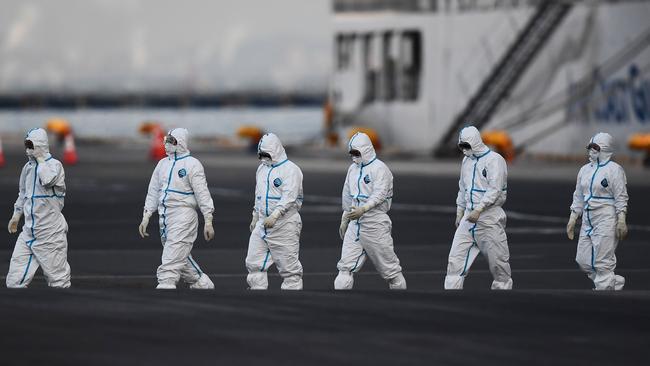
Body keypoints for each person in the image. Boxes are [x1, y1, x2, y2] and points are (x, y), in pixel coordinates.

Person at [139, 128, 215, 290]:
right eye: (166, 140)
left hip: (184, 215)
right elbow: (153, 190)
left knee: (172, 255)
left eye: (171, 141)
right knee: (178, 253)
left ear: (180, 143)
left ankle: (166, 282)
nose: (166, 144)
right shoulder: (162, 164)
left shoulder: (192, 164)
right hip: (165, 216)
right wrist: (147, 214)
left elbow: (202, 194)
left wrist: (208, 219)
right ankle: (201, 282)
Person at [334, 132, 406, 290]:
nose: (353, 157)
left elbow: (380, 194)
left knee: (391, 271)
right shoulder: (352, 170)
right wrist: (345, 217)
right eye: (351, 153)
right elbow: (347, 194)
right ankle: (341, 304)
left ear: (366, 150)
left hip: (375, 223)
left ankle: (400, 295)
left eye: (356, 153)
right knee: (345, 268)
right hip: (355, 223)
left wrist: (364, 209)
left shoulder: (380, 169)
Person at [444, 126, 512, 290]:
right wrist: (460, 211)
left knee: (499, 265)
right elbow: (462, 187)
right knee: (455, 260)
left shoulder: (495, 160)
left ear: (475, 142)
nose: (464, 150)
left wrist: (479, 209)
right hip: (468, 218)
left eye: (466, 146)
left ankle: (503, 294)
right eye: (462, 146)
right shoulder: (466, 161)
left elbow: (495, 189)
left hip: (489, 218)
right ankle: (451, 295)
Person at [6, 128, 71, 288]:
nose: (28, 150)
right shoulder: (27, 168)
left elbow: (48, 179)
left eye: (31, 146)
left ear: (40, 145)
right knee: (14, 281)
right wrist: (16, 215)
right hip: (28, 233)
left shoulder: (55, 166)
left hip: (50, 234)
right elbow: (23, 194)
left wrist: (41, 159)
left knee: (58, 282)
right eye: (26, 146)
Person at [566, 132, 628, 290]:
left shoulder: (615, 170)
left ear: (605, 149)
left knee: (602, 261)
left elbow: (621, 196)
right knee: (583, 260)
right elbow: (578, 195)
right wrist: (573, 218)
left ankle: (604, 290)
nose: (591, 151)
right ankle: (611, 282)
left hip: (606, 216)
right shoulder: (584, 170)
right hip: (588, 218)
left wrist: (621, 220)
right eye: (590, 147)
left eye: (595, 147)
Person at [246, 133, 304, 290]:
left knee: (288, 268)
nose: (264, 158)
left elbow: (289, 197)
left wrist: (275, 215)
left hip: (284, 224)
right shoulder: (262, 169)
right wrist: (255, 216)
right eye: (261, 155)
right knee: (253, 263)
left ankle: (293, 295)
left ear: (275, 150)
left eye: (267, 154)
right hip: (262, 223)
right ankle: (257, 292)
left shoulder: (291, 170)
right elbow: (258, 195)